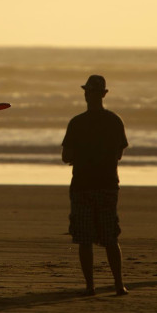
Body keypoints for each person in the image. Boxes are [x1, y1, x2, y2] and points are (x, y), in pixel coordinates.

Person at [61, 75, 128, 296]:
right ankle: (118, 284)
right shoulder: (115, 121)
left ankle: (90, 286)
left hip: (82, 184)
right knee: (110, 237)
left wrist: (80, 155)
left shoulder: (77, 122)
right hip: (107, 183)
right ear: (104, 94)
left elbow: (66, 155)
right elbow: (119, 153)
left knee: (85, 239)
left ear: (86, 94)